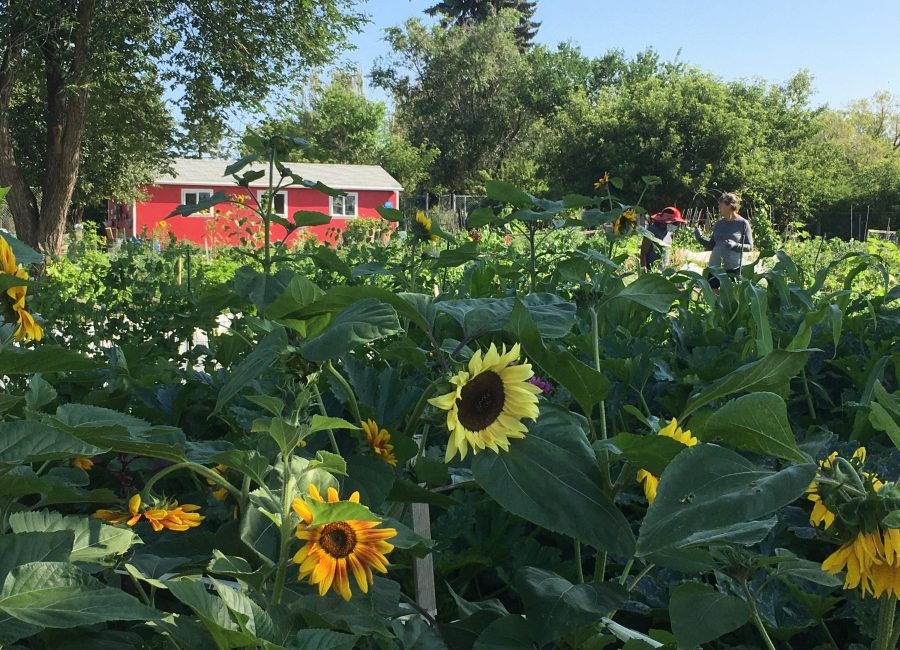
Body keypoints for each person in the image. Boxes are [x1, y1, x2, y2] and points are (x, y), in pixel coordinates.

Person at [694, 192, 753, 289]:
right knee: (712, 293)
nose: (718, 207)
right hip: (715, 267)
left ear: (730, 205)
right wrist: (700, 239)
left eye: (721, 204)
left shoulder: (742, 223)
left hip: (733, 267)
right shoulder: (719, 223)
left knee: (731, 296)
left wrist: (735, 245)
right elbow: (712, 245)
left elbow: (750, 247)